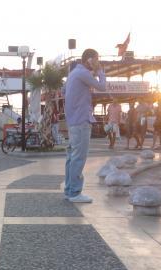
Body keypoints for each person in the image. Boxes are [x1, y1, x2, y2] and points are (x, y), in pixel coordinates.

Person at [64, 48, 106, 203]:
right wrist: (99, 71)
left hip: (73, 120)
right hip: (81, 120)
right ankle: (75, 192)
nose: (98, 62)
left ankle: (69, 190)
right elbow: (102, 87)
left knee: (71, 157)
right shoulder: (82, 74)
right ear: (89, 60)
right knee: (78, 157)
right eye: (96, 59)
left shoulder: (74, 73)